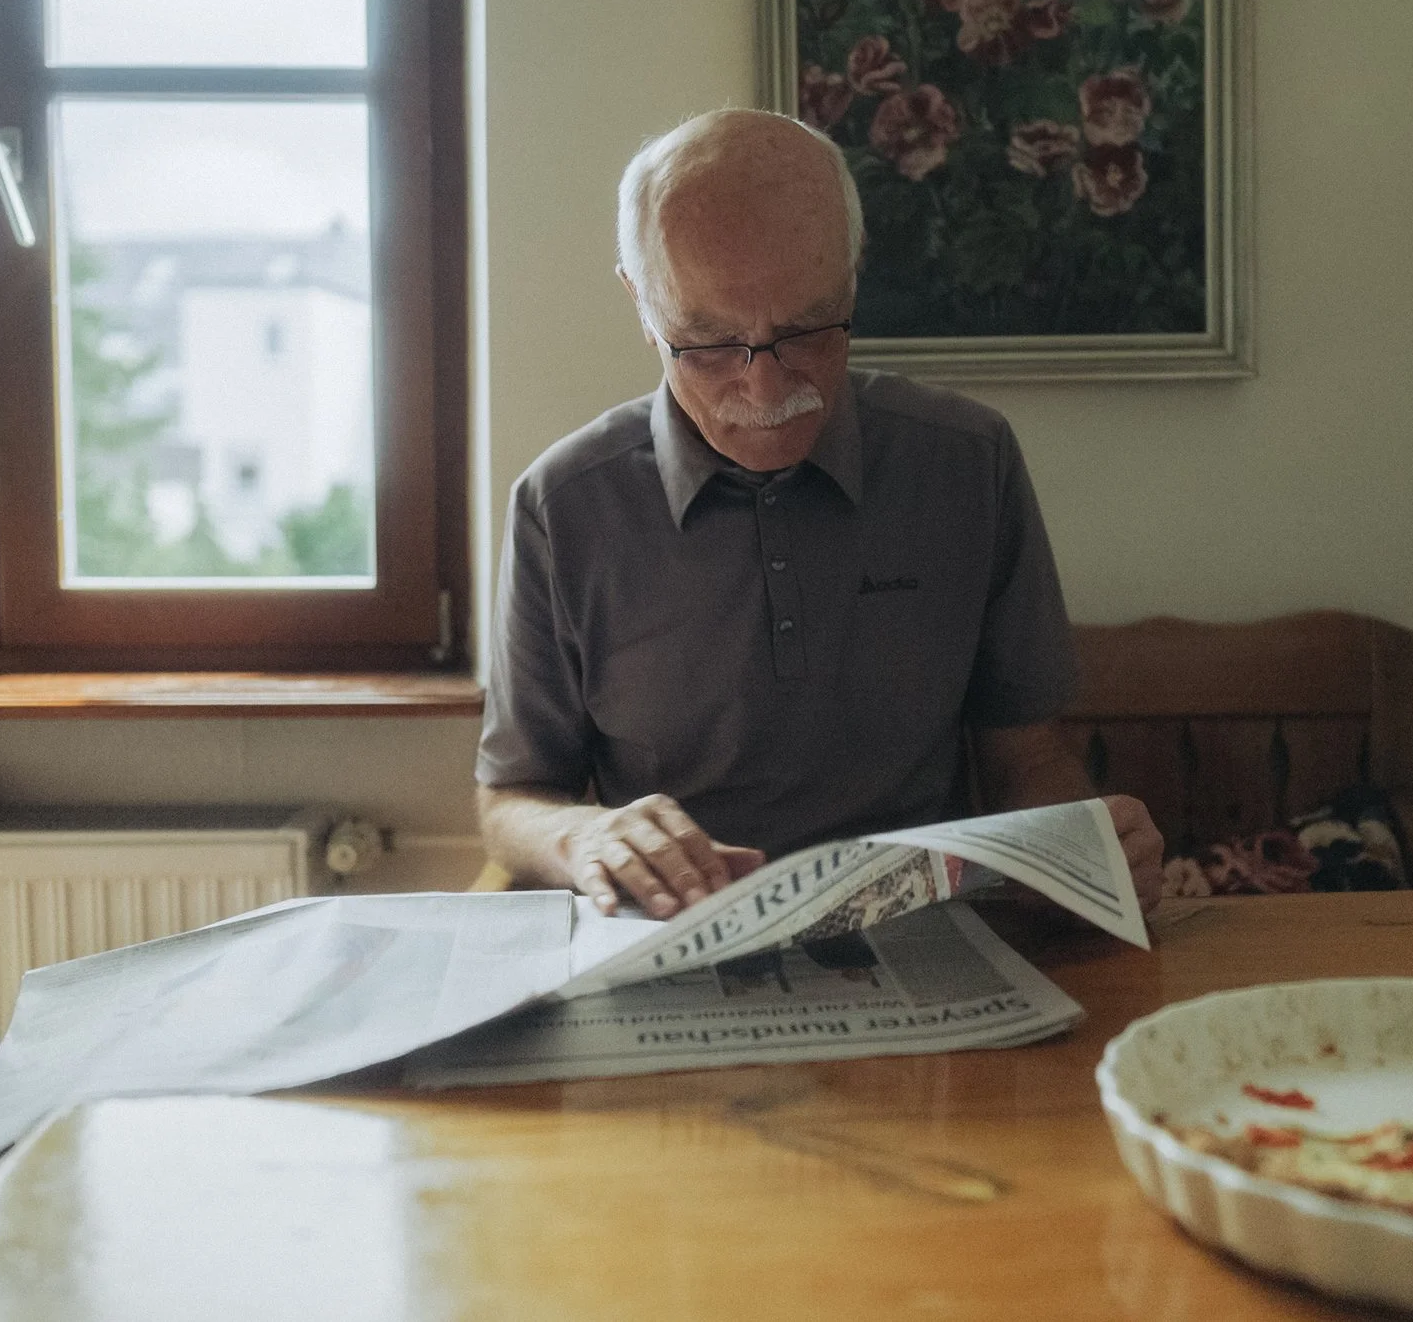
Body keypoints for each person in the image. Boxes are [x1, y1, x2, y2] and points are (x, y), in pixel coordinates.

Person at [476, 108, 1164, 922]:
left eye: (806, 331)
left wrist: (1084, 848)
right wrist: (583, 837)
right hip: (679, 941)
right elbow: (513, 796)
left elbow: (1027, 755)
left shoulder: (967, 464)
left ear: (853, 276)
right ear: (640, 302)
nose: (765, 390)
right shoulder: (564, 508)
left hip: (923, 936)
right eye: (707, 343)